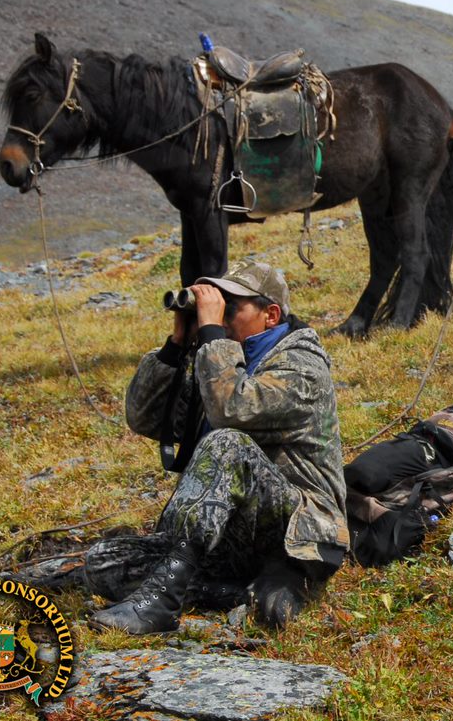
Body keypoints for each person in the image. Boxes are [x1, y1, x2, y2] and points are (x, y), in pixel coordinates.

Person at [89, 258, 347, 634]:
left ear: (270, 315)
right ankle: (232, 592)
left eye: (232, 307)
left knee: (226, 443)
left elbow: (233, 410)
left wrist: (212, 334)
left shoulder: (302, 366)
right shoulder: (221, 360)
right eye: (216, 305)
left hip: (296, 531)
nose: (221, 316)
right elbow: (144, 418)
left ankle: (160, 603)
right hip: (230, 535)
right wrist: (177, 345)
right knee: (104, 562)